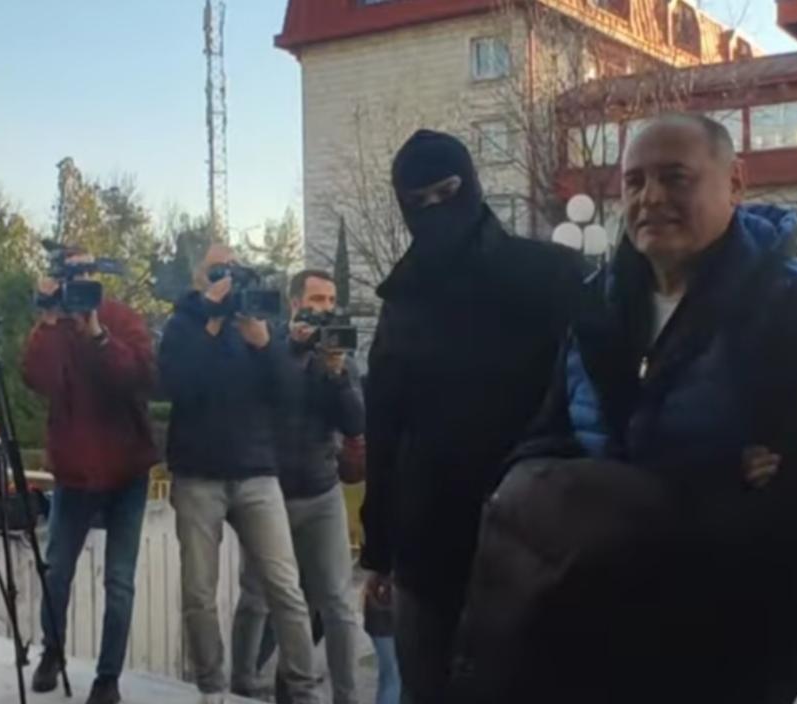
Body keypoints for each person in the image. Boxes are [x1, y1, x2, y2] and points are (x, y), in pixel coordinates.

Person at [451, 114, 797, 703]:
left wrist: (640, 501)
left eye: (675, 177)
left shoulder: (795, 304)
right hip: (591, 627)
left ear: (735, 182)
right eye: (634, 181)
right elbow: (546, 438)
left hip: (720, 639)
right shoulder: (594, 304)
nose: (651, 198)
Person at [362, 129, 585, 703]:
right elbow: (384, 427)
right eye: (418, 201)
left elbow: (592, 404)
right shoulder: (402, 301)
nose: (435, 210)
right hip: (429, 548)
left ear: (472, 185)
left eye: (447, 192)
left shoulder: (552, 276)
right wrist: (379, 550)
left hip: (531, 542)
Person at [159, 244, 320, 704]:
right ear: (199, 279)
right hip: (198, 474)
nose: (226, 280)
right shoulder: (182, 325)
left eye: (232, 270)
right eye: (216, 271)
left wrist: (265, 345)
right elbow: (176, 384)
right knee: (199, 592)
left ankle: (304, 689)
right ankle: (212, 686)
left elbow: (289, 392)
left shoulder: (257, 321)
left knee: (285, 587)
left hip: (256, 471)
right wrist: (209, 323)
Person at [22, 250, 156, 704]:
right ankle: (52, 650)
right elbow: (37, 379)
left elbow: (140, 376)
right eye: (72, 274)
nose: (80, 282)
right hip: (75, 472)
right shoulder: (54, 328)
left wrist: (98, 335)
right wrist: (47, 319)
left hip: (127, 470)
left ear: (99, 278)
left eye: (87, 274)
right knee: (57, 569)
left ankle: (108, 677)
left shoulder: (121, 318)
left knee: (119, 581)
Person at [229, 269, 364, 704]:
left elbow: (355, 423)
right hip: (269, 492)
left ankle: (346, 696)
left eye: (331, 300)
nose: (325, 308)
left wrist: (336, 372)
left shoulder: (337, 355)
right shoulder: (269, 347)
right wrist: (293, 348)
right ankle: (242, 686)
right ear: (294, 303)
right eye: (317, 299)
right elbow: (266, 391)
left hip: (322, 491)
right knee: (256, 597)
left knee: (338, 603)